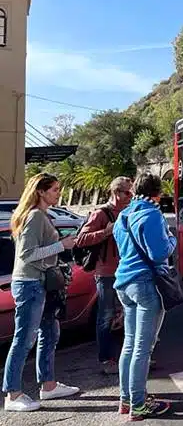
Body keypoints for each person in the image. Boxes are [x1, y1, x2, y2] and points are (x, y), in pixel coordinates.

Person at [3, 173, 80, 412]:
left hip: (39, 282)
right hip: (30, 283)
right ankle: (13, 394)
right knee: (24, 339)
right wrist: (62, 245)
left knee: (50, 331)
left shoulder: (40, 215)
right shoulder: (35, 216)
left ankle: (48, 385)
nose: (59, 193)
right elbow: (27, 254)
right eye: (55, 189)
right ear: (41, 192)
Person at [113, 172, 174, 420]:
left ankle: (126, 401)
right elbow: (159, 253)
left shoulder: (123, 216)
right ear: (157, 194)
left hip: (124, 284)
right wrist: (172, 239)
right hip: (145, 285)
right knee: (143, 348)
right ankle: (139, 405)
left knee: (129, 345)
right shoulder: (151, 214)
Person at [74, 176, 132, 375]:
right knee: (106, 316)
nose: (130, 195)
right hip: (106, 272)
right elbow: (80, 240)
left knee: (130, 314)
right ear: (116, 193)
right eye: (127, 192)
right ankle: (106, 359)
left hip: (126, 270)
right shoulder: (101, 213)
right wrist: (106, 232)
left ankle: (131, 358)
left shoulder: (128, 210)